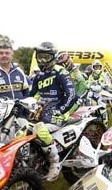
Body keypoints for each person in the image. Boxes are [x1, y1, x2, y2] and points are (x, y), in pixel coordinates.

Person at [29, 42, 77, 181]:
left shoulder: (61, 72)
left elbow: (72, 94)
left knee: (40, 130)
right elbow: (30, 95)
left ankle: (55, 163)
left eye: (46, 57)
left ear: (53, 57)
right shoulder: (38, 76)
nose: (42, 60)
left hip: (58, 113)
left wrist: (61, 110)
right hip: (42, 112)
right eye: (40, 57)